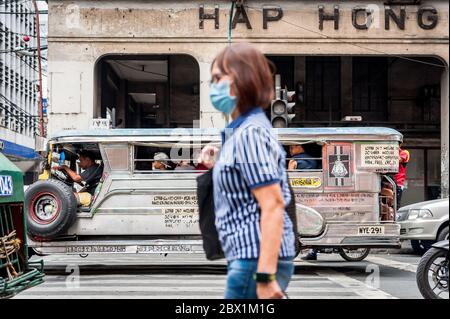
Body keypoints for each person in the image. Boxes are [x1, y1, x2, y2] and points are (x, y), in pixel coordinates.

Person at [199, 43, 296, 299]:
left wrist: (264, 276)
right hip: (248, 255)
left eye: (219, 78)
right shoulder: (243, 132)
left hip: (253, 259)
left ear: (243, 79)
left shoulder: (250, 134)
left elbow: (273, 205)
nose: (213, 85)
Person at [394, 144, 410, 208]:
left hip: (398, 182)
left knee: (395, 204)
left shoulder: (405, 152)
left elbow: (399, 159)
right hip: (386, 180)